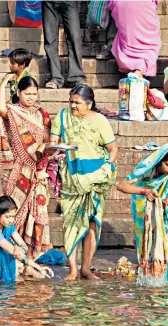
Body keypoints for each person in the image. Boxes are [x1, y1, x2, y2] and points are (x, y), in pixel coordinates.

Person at [49, 84, 118, 280]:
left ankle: (86, 268)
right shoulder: (62, 117)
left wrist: (106, 170)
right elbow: (52, 144)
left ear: (89, 103)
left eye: (77, 103)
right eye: (71, 101)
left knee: (91, 224)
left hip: (96, 177)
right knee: (70, 222)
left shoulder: (100, 121)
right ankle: (72, 270)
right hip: (72, 176)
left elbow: (113, 150)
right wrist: (56, 149)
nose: (72, 106)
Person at [0, 75, 51, 258]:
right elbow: (0, 108)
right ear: (18, 93)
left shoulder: (42, 114)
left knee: (37, 210)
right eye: (27, 94)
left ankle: (32, 253)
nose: (31, 98)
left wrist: (45, 155)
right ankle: (12, 251)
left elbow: (49, 139)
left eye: (34, 94)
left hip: (39, 167)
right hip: (19, 168)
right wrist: (3, 84)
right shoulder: (13, 111)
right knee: (14, 208)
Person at [117, 144, 168, 284]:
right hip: (143, 203)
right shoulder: (147, 168)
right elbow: (121, 185)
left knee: (162, 238)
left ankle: (159, 269)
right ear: (160, 160)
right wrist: (144, 191)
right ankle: (145, 269)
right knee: (145, 236)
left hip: (164, 209)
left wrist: (167, 201)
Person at [107, 0, 161, 78]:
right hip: (142, 5)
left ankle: (129, 66)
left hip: (121, 4)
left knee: (128, 35)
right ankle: (139, 69)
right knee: (150, 41)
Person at [41, 1, 86, 89]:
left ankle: (76, 77)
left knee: (74, 38)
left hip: (69, 2)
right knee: (50, 40)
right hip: (49, 2)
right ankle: (55, 77)